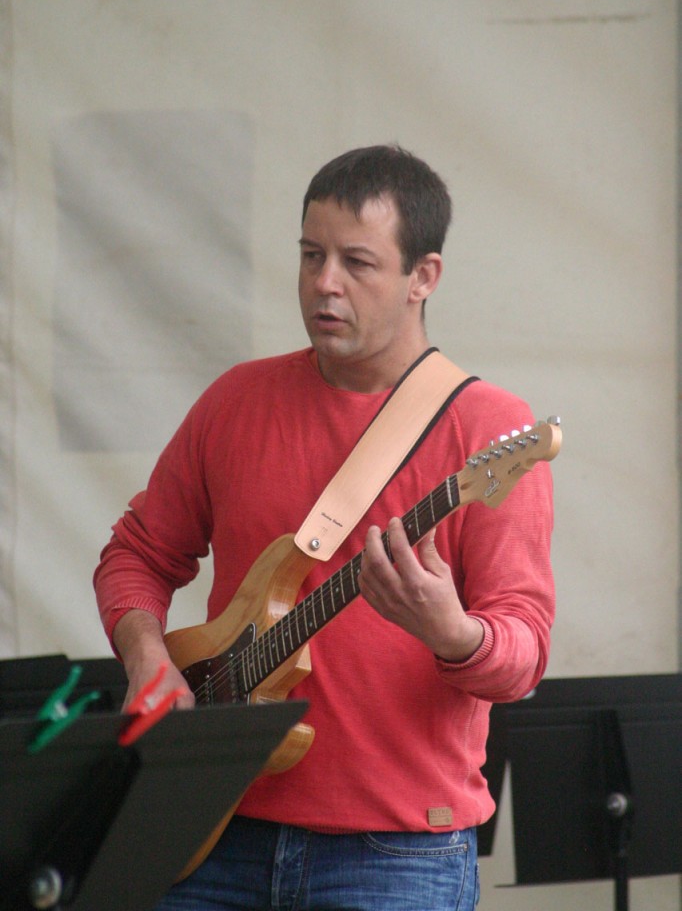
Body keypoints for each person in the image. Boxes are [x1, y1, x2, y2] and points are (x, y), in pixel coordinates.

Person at [94, 144, 555, 911]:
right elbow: (136, 554)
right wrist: (147, 659)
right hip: (212, 829)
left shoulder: (489, 429)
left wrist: (453, 634)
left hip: (396, 855)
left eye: (356, 263)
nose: (323, 283)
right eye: (311, 255)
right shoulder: (236, 401)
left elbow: (525, 653)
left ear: (423, 276)